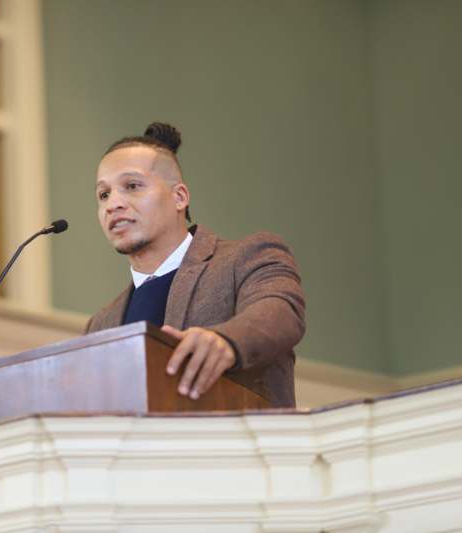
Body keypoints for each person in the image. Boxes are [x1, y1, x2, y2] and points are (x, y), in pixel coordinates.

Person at [86, 122, 306, 408]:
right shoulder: (99, 325)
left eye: (132, 186)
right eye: (103, 194)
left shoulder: (247, 257)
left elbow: (281, 312)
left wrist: (225, 341)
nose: (112, 204)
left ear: (179, 197)